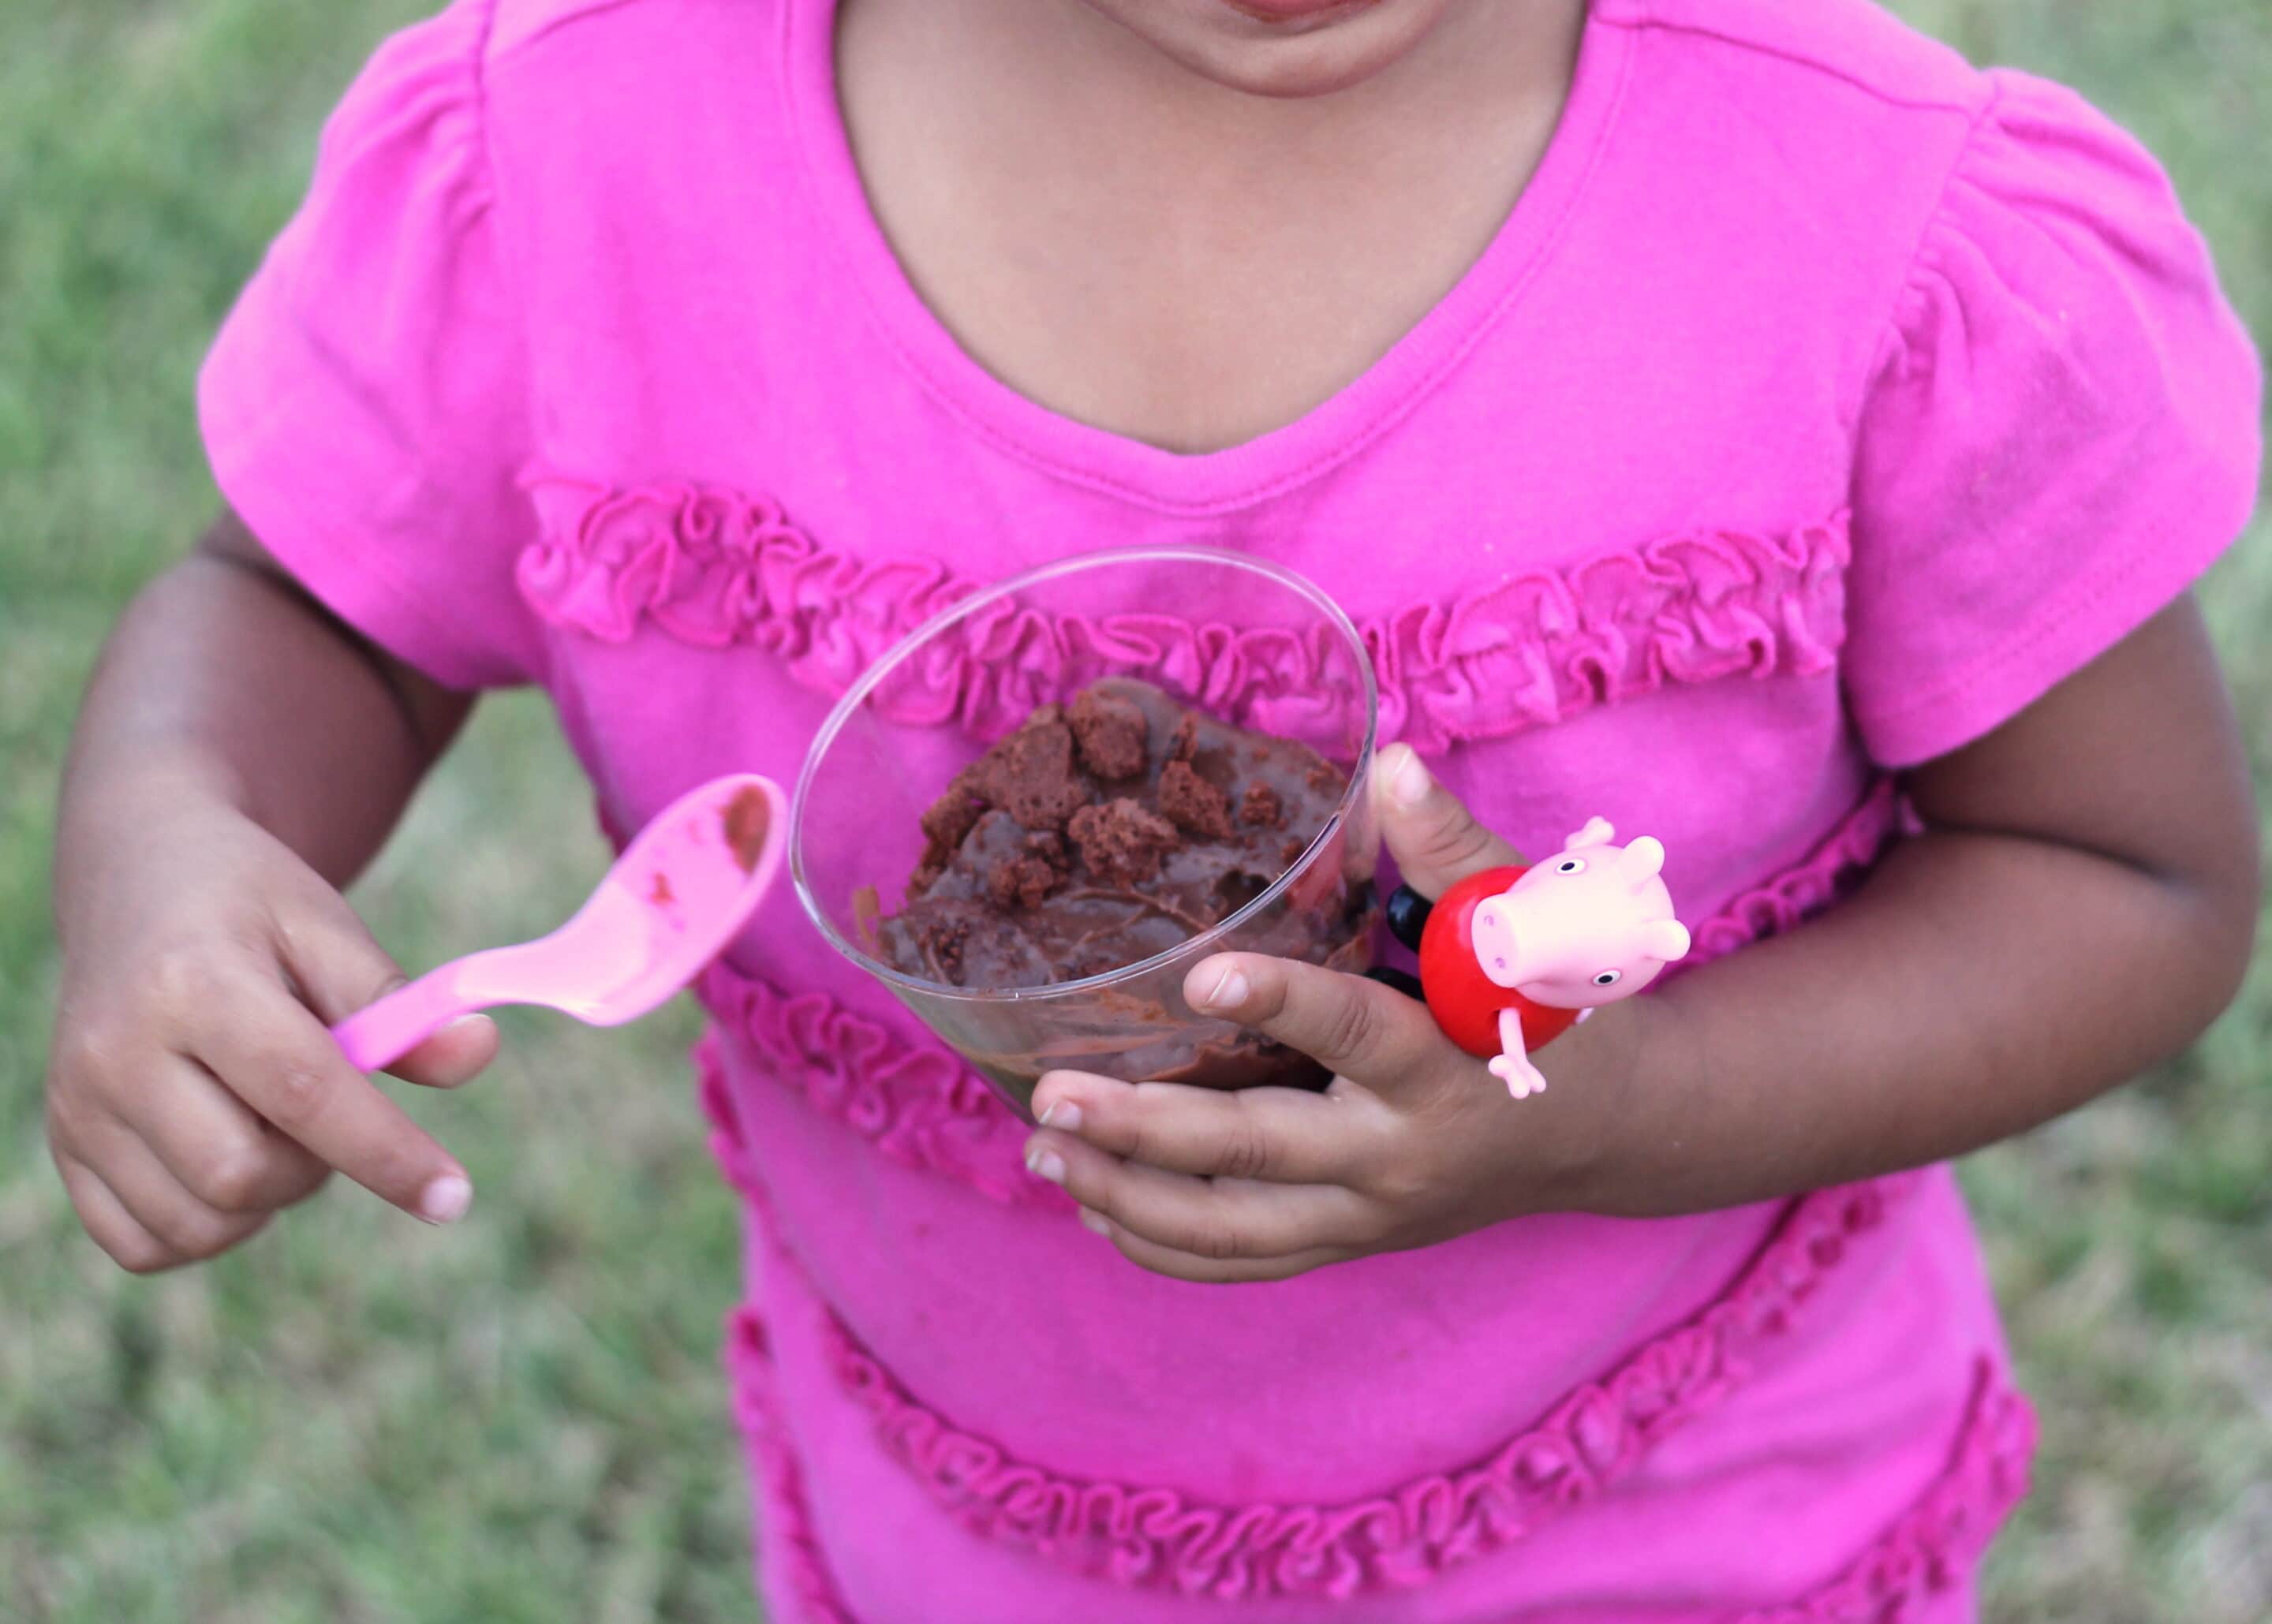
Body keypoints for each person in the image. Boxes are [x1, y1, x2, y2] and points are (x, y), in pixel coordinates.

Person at [43, 0, 2262, 1617]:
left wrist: (1619, 1102)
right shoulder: (579, 154)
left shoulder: (1863, 232)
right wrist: (175, 832)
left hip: (1703, 1536)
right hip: (962, 1544)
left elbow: (2125, 872)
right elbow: (305, 609)